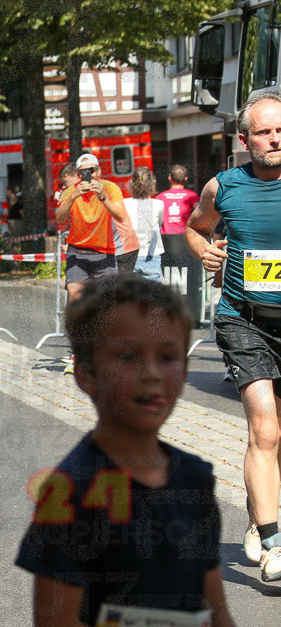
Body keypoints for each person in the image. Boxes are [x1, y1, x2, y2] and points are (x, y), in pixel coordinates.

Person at [15, 274, 233, 627]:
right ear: (85, 375)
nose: (152, 374)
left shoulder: (195, 479)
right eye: (128, 356)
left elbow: (216, 610)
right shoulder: (71, 494)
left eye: (168, 356)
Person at [185, 88, 281, 582]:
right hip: (243, 317)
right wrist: (205, 250)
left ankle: (256, 513)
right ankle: (274, 542)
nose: (275, 138)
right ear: (245, 140)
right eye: (264, 132)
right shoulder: (223, 187)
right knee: (265, 428)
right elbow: (195, 228)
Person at [56, 155, 129, 374]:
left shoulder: (109, 187)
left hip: (104, 253)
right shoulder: (72, 191)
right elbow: (60, 217)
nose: (90, 175)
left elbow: (121, 216)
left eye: (93, 170)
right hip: (77, 253)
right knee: (76, 302)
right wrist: (72, 197)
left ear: (100, 171)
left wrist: (102, 197)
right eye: (85, 172)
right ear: (78, 175)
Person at [123, 167, 164, 282]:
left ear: (132, 183)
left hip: (129, 255)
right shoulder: (158, 204)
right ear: (152, 183)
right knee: (152, 296)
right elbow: (159, 224)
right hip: (151, 255)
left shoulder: (124, 203)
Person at [157, 164, 199, 235]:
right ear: (186, 179)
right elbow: (200, 209)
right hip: (186, 237)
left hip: (166, 238)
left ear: (170, 178)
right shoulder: (191, 195)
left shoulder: (160, 197)